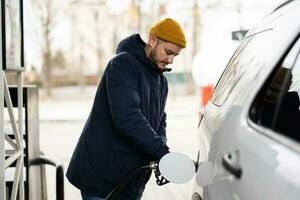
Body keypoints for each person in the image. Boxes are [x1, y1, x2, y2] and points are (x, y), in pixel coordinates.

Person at [66, 18, 186, 200]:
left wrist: (160, 153)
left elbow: (160, 120)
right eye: (168, 52)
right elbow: (127, 117)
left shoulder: (161, 81)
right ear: (153, 40)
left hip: (131, 180)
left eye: (175, 56)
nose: (170, 60)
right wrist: (162, 154)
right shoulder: (122, 65)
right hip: (102, 178)